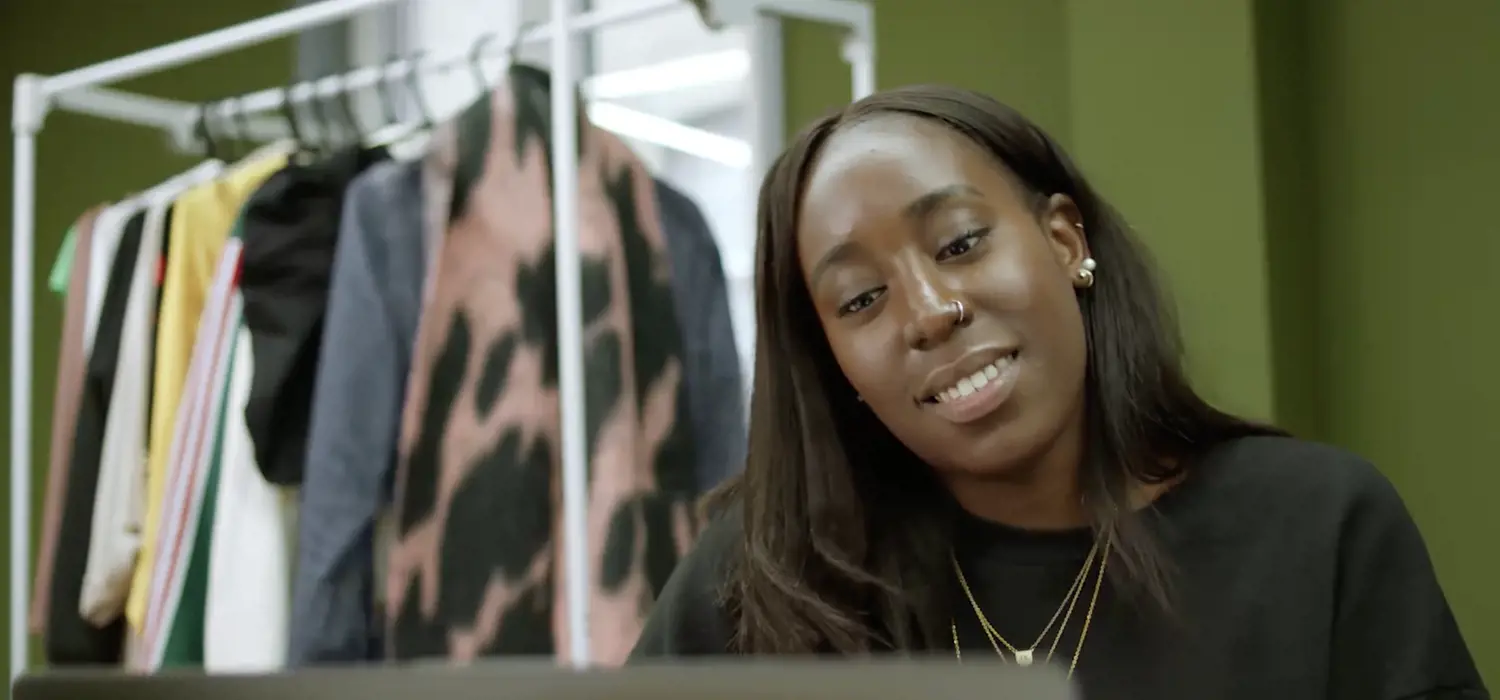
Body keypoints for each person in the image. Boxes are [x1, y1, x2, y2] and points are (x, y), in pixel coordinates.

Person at [629, 85, 1487, 699]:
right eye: (861, 300)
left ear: (1064, 239)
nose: (930, 314)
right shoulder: (761, 581)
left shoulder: (1319, 527)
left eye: (960, 243)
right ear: (832, 363)